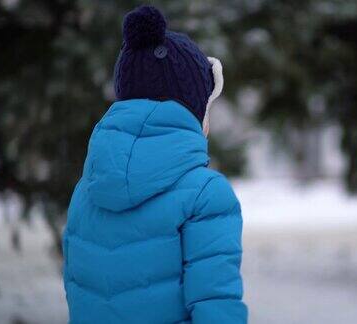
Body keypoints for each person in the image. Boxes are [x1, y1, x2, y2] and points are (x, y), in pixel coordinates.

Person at [62, 5, 247, 324]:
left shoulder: (87, 189)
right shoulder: (206, 195)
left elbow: (79, 294)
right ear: (195, 109)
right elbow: (216, 303)